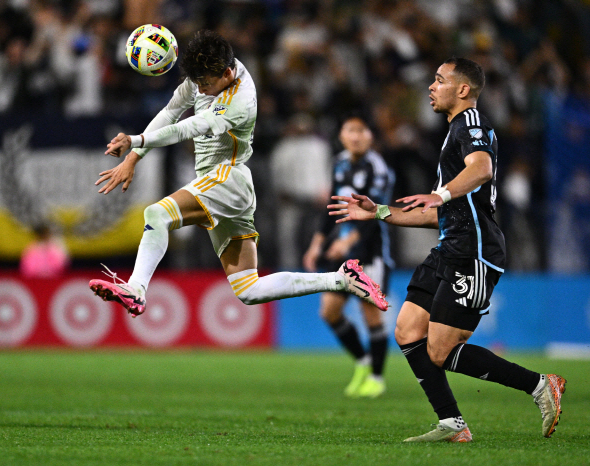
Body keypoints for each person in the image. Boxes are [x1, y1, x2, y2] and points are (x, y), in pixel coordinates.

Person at [328, 57, 566, 442]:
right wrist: (380, 212)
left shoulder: (471, 123)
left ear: (463, 89)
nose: (431, 87)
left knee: (440, 350)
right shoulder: (454, 131)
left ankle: (540, 385)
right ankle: (452, 424)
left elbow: (482, 168)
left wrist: (440, 194)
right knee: (407, 330)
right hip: (449, 245)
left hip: (474, 250)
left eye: (439, 80)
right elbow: (436, 214)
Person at [87, 30, 388, 318]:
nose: (200, 89)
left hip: (226, 178)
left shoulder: (240, 99)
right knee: (248, 289)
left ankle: (136, 289)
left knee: (157, 214)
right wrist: (134, 158)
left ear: (227, 74)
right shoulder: (209, 68)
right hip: (224, 184)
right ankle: (342, 279)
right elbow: (170, 112)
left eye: (205, 84)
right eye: (197, 83)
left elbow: (191, 126)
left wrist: (136, 140)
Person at [303, 115, 394, 398]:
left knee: (370, 313)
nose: (355, 136)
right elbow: (332, 207)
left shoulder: (378, 168)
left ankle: (376, 378)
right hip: (341, 250)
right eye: (350, 130)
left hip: (370, 250)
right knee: (329, 312)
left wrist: (349, 242)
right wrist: (317, 244)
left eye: (361, 130)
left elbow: (376, 213)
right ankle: (363, 362)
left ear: (370, 136)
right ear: (342, 135)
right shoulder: (339, 163)